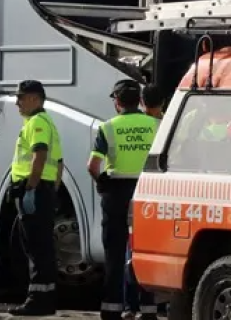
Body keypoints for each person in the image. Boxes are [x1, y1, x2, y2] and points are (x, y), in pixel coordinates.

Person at [88, 80, 158, 320]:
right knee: (146, 249)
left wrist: (101, 182)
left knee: (114, 253)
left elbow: (93, 166)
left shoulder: (108, 128)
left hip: (116, 192)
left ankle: (111, 308)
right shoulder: (157, 125)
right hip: (149, 192)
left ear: (117, 102)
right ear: (139, 101)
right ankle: (148, 309)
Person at [8, 80, 63, 316]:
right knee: (43, 248)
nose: (17, 102)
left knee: (35, 247)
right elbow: (59, 164)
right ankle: (46, 298)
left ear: (35, 99)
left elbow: (39, 156)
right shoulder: (46, 122)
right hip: (44, 190)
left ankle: (36, 301)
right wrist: (51, 189)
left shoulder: (37, 123)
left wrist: (30, 188)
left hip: (34, 190)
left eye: (22, 97)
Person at [124, 83, 165, 319]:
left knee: (131, 253)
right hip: (157, 195)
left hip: (128, 192)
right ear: (163, 103)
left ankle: (131, 306)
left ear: (142, 102)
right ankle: (152, 308)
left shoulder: (115, 126)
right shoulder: (163, 127)